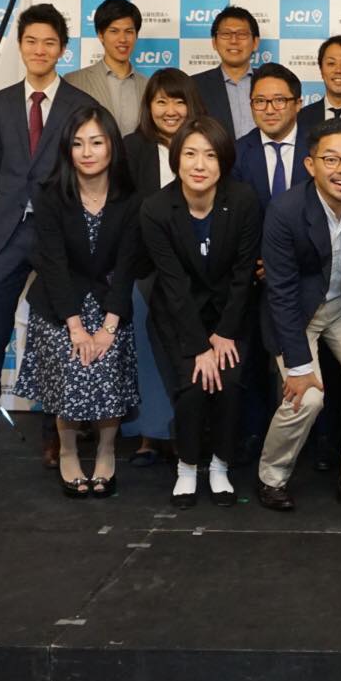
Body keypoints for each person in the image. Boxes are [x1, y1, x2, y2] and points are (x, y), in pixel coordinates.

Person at [0, 4, 96, 474]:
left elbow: (84, 166)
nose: (40, 50)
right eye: (32, 41)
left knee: (57, 335)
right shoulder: (0, 102)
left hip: (59, 231)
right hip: (8, 231)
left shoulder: (79, 103)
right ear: (20, 46)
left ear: (63, 49)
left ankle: (55, 435)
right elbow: (0, 167)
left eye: (49, 42)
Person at [256, 119, 341, 510]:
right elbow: (281, 293)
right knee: (308, 398)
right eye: (331, 159)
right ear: (310, 164)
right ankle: (271, 477)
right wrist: (299, 367)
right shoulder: (285, 210)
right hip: (297, 312)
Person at [11, 104, 144, 497]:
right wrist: (75, 328)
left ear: (112, 147)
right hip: (59, 304)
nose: (87, 152)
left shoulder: (131, 199)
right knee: (71, 364)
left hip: (108, 302)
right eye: (78, 143)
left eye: (96, 143)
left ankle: (106, 451)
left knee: (107, 361)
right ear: (67, 149)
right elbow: (52, 263)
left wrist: (107, 328)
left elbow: (127, 266)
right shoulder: (50, 195)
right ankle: (67, 451)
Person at [140, 116, 261, 508]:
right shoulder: (156, 209)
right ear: (176, 158)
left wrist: (224, 333)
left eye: (210, 155)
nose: (199, 164)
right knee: (192, 385)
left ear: (223, 161)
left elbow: (244, 273)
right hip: (179, 315)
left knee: (229, 383)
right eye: (190, 154)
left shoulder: (243, 201)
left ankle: (221, 466)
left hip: (231, 313)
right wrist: (198, 347)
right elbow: (173, 284)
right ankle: (188, 467)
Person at [121, 67, 205, 466]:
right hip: (144, 268)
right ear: (148, 106)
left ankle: (183, 430)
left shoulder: (206, 143)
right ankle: (150, 435)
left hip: (198, 271)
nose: (170, 110)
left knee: (188, 351)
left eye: (178, 101)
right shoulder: (131, 148)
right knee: (147, 351)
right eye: (161, 101)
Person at [231, 63, 310, 212]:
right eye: (260, 101)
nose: (269, 110)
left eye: (279, 100)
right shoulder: (237, 153)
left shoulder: (317, 147)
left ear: (298, 104)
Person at [65, 0, 145, 135]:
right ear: (101, 35)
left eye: (129, 31)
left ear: (136, 35)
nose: (122, 39)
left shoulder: (148, 86)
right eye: (114, 31)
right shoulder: (74, 81)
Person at [191, 6, 260, 140]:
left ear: (255, 42)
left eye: (242, 34)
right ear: (214, 42)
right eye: (226, 34)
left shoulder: (271, 83)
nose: (234, 41)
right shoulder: (194, 86)